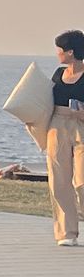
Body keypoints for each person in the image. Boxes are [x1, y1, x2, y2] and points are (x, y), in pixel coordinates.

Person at [47, 31, 84, 245]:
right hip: (57, 126)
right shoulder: (58, 74)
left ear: (70, 52)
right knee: (59, 181)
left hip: (81, 124)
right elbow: (45, 101)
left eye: (60, 49)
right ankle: (67, 233)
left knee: (81, 181)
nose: (57, 54)